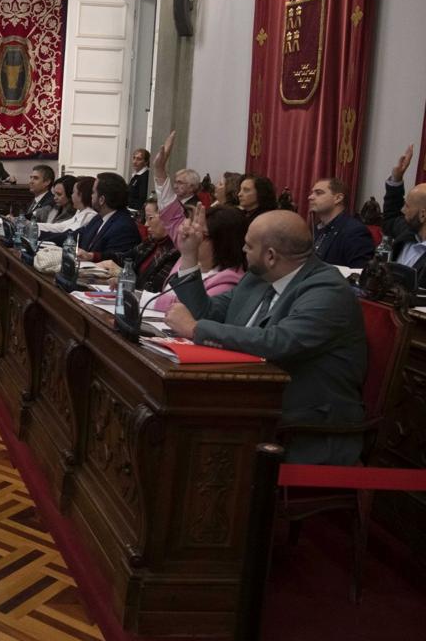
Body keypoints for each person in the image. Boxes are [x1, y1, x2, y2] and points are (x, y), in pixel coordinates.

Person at [164, 208, 366, 465]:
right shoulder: (256, 279)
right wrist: (189, 256)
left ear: (270, 256)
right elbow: (206, 311)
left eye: (248, 246)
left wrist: (194, 329)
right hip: (252, 400)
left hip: (302, 425)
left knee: (183, 433)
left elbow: (277, 342)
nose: (243, 251)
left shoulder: (327, 290)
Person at [150, 204, 246, 311]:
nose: (193, 237)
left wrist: (149, 300)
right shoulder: (187, 257)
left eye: (202, 234)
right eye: (194, 231)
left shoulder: (228, 282)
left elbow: (190, 309)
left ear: (223, 242)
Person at [96, 199, 178, 292]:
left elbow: (153, 288)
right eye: (145, 219)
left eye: (150, 218)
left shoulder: (174, 252)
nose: (146, 224)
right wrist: (93, 256)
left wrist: (123, 275)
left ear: (166, 218)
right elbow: (126, 257)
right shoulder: (151, 242)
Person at [382, 144, 426, 284]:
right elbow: (391, 217)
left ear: (423, 215)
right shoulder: (408, 231)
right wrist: (397, 178)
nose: (403, 211)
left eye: (407, 206)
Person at [73, 172, 140, 264]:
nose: (91, 196)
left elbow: (111, 263)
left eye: (93, 192)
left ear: (102, 200)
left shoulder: (123, 227)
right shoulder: (99, 217)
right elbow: (76, 235)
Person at [308, 177, 374, 268]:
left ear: (338, 198)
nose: (310, 197)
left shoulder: (355, 231)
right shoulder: (314, 229)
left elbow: (359, 273)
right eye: (311, 193)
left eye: (318, 193)